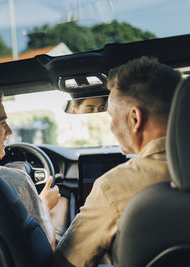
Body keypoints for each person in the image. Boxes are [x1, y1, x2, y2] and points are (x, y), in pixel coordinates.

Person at [53, 56, 181, 266]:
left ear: (135, 119)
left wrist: (53, 224)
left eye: (112, 116)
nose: (111, 127)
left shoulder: (114, 187)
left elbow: (63, 264)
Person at [0, 85, 67, 250]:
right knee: (62, 204)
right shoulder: (14, 180)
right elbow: (46, 251)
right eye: (3, 123)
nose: (9, 131)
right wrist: (43, 205)